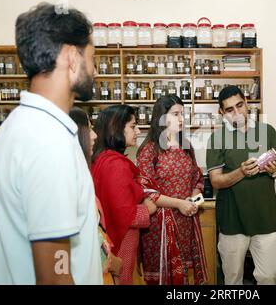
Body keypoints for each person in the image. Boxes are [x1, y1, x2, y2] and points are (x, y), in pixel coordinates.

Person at [0, 3, 102, 285]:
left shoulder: (17, 124)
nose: (96, 71)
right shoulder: (49, 141)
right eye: (92, 59)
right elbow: (55, 276)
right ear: (71, 57)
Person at [206, 86, 276, 285]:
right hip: (232, 221)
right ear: (222, 113)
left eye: (240, 105)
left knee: (269, 276)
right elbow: (215, 180)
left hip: (265, 219)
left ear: (247, 103)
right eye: (229, 109)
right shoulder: (217, 138)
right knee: (233, 279)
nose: (237, 113)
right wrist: (241, 172)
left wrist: (273, 170)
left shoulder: (267, 131)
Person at [136, 95, 208, 285]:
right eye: (176, 114)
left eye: (182, 114)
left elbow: (197, 178)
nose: (182, 119)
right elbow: (147, 191)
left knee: (183, 277)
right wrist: (179, 204)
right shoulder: (149, 150)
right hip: (159, 226)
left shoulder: (186, 146)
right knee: (163, 278)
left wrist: (193, 199)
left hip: (185, 221)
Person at [91, 105, 158, 285]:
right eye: (133, 126)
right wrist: (148, 208)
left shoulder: (104, 158)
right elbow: (125, 215)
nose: (138, 131)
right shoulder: (115, 165)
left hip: (113, 240)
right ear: (117, 129)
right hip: (121, 241)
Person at [68, 107, 123, 285]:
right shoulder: (67, 181)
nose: (94, 136)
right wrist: (113, 261)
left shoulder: (79, 173)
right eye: (87, 129)